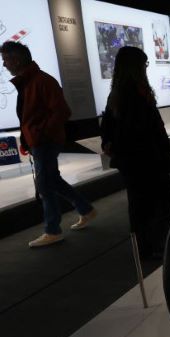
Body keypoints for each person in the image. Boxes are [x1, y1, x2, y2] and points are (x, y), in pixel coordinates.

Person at [1, 41, 96, 248]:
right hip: (41, 140)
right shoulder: (29, 81)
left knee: (45, 184)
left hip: (45, 141)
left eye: (5, 59)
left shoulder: (42, 81)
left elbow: (62, 111)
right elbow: (30, 115)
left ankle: (53, 230)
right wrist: (30, 138)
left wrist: (40, 133)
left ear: (16, 59)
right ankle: (85, 209)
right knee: (51, 180)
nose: (4, 64)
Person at [100, 46, 170, 260]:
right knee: (154, 204)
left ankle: (147, 246)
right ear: (134, 67)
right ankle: (153, 246)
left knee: (141, 204)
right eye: (143, 64)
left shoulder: (120, 93)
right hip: (145, 160)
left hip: (136, 161)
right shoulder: (133, 93)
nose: (146, 68)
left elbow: (109, 129)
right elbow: (140, 130)